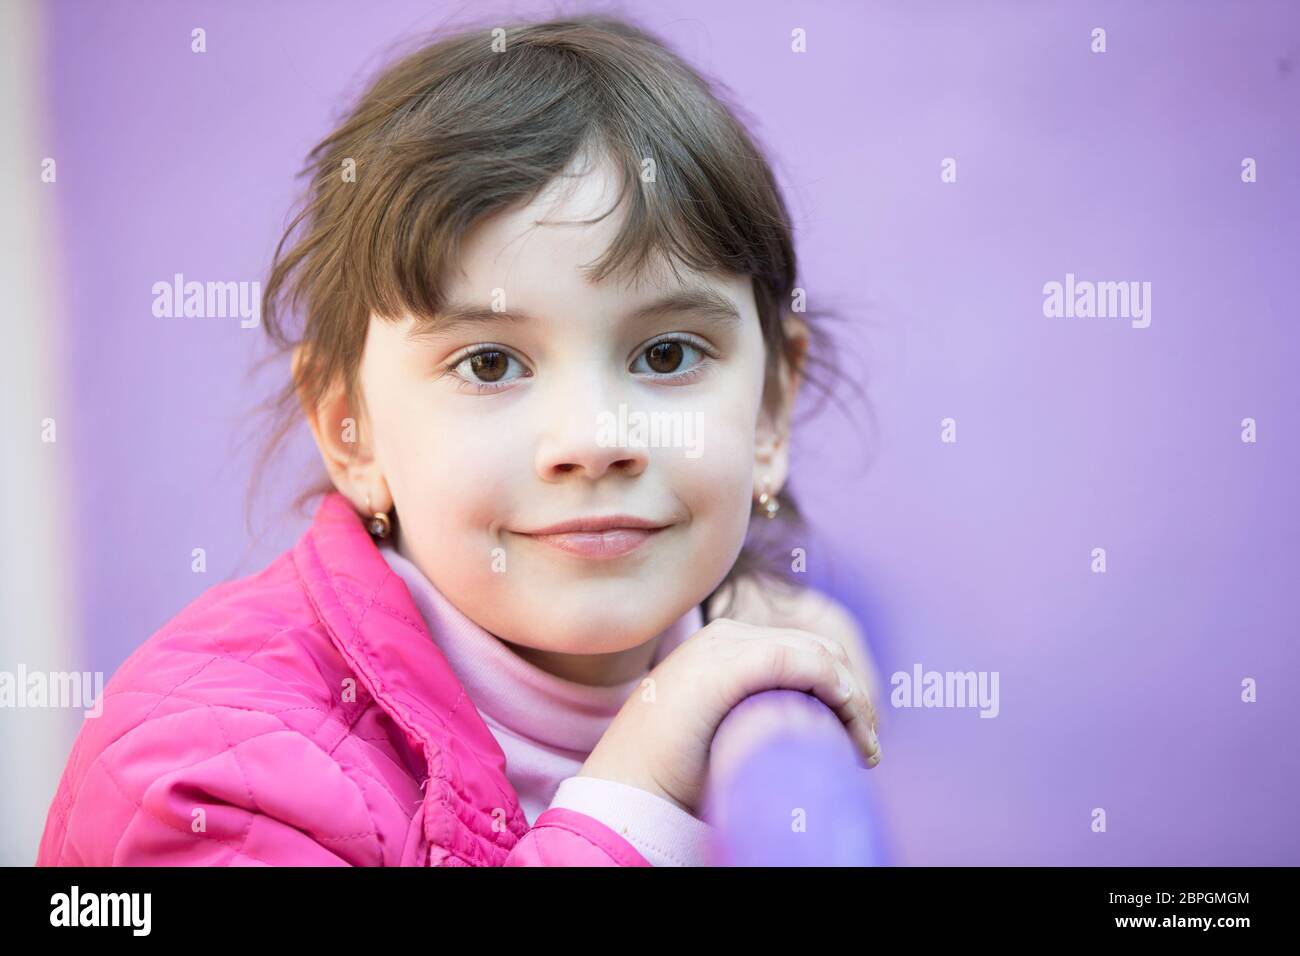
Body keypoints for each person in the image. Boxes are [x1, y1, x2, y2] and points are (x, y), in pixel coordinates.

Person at [36, 13, 881, 867]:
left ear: (771, 410)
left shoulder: (734, 655)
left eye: (665, 354)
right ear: (350, 433)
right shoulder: (208, 780)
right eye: (488, 364)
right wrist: (639, 795)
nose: (593, 441)